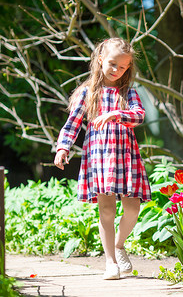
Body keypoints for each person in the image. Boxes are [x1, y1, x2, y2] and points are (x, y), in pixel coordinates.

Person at [54, 37, 151, 280]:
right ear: (100, 60)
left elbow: (139, 116)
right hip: (99, 156)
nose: (117, 70)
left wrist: (116, 114)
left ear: (128, 67)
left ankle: (119, 246)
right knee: (106, 210)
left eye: (123, 66)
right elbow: (72, 123)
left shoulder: (129, 92)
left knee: (133, 209)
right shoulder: (88, 93)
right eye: (112, 64)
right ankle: (110, 263)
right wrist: (63, 147)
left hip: (125, 156)